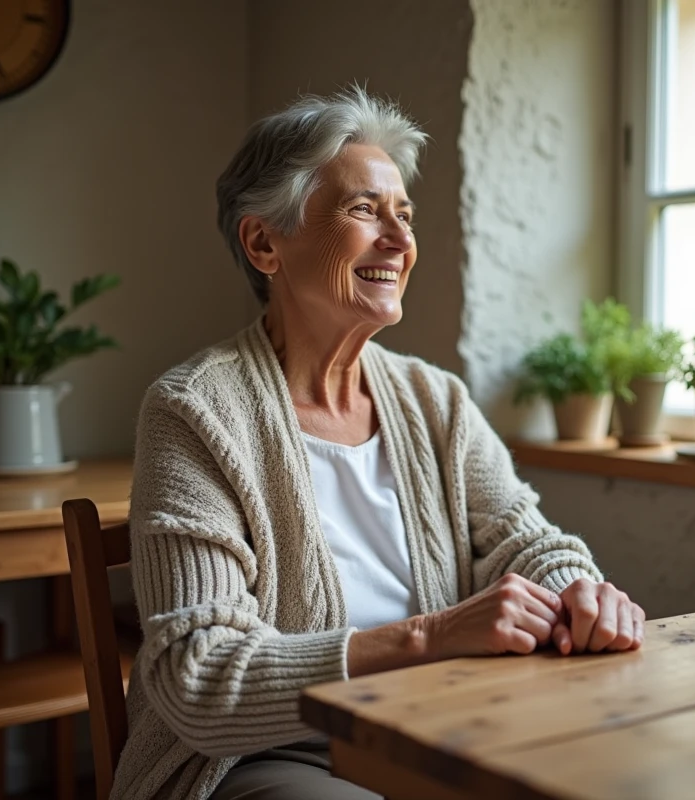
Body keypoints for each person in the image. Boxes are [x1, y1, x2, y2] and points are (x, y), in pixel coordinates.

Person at [115, 87, 646, 800]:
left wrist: (577, 592)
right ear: (264, 242)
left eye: (404, 215)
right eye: (365, 210)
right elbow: (201, 678)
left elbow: (527, 542)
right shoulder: (194, 410)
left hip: (443, 732)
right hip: (268, 761)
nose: (399, 241)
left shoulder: (435, 399)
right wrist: (428, 638)